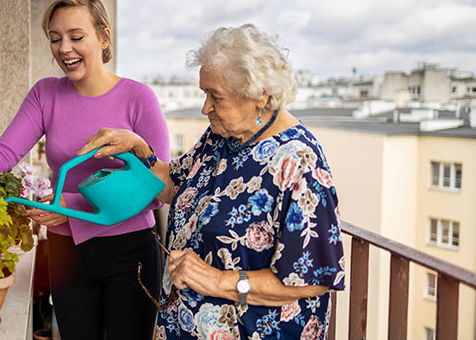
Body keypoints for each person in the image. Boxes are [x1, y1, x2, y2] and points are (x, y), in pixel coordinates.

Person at [77, 24, 345, 339]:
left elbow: (314, 279)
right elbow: (175, 186)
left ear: (260, 95)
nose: (206, 107)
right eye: (205, 93)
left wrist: (217, 280)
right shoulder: (223, 136)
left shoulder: (299, 162)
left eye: (215, 96)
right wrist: (139, 147)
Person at [0, 0, 169, 340]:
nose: (64, 48)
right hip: (67, 252)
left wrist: (72, 208)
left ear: (104, 36)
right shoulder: (45, 94)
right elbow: (4, 153)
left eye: (76, 37)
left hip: (129, 251)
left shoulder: (139, 99)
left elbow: (156, 189)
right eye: (54, 38)